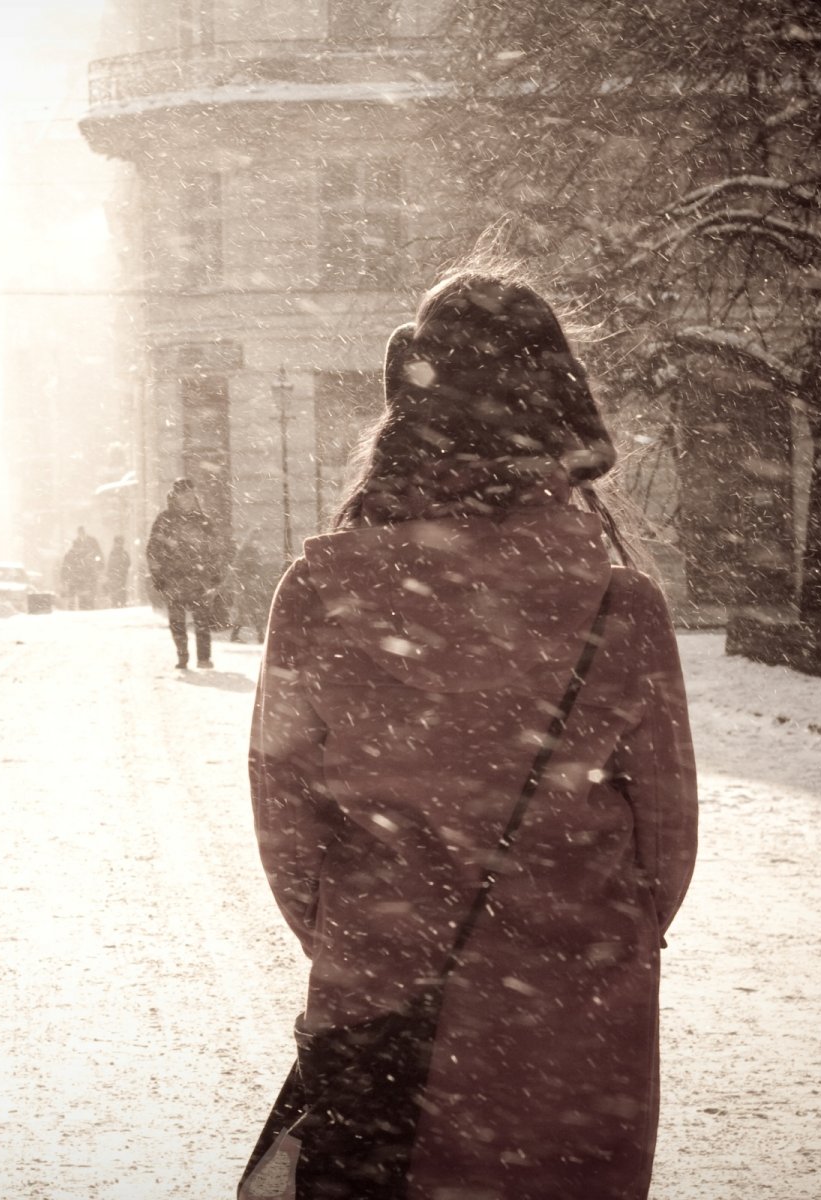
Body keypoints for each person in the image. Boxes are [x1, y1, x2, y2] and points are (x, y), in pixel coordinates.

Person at [244, 270, 697, 1199]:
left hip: (380, 1005)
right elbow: (667, 843)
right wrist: (574, 940)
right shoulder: (621, 607)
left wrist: (368, 937)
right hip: (578, 1021)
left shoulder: (322, 594)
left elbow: (284, 823)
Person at [145, 478, 229, 669]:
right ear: (176, 496)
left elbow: (214, 548)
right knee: (176, 621)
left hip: (198, 578)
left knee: (202, 619)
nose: (188, 499)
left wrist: (215, 572)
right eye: (184, 495)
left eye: (191, 495)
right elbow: (153, 548)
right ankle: (182, 655)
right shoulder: (164, 520)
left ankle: (204, 658)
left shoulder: (203, 520)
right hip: (172, 577)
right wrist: (157, 574)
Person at [61, 526, 105, 610]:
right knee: (84, 594)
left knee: (88, 593)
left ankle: (88, 604)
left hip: (86, 573)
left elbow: (98, 553)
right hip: (82, 574)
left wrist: (99, 564)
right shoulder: (77, 544)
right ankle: (86, 605)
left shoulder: (91, 542)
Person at [104, 535, 131, 608]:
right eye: (117, 543)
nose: (118, 545)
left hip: (121, 574)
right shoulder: (113, 553)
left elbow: (128, 563)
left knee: (121, 588)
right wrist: (109, 573)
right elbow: (110, 564)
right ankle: (115, 603)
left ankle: (122, 602)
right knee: (115, 589)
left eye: (120, 543)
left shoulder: (124, 553)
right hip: (115, 574)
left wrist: (123, 569)